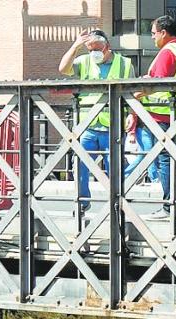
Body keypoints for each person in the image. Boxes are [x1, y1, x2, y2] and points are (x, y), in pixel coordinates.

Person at [58, 29, 135, 212]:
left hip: (112, 125)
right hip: (88, 124)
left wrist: (133, 114)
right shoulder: (85, 61)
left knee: (113, 169)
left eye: (97, 49)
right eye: (90, 49)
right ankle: (83, 201)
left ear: (107, 46)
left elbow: (131, 92)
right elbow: (63, 69)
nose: (94, 53)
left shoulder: (124, 64)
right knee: (80, 164)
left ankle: (116, 204)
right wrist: (76, 46)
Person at [130, 15, 176, 221]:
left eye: (153, 33)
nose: (152, 37)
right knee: (173, 159)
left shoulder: (168, 52)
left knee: (165, 160)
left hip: (161, 112)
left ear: (163, 33)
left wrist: (134, 96)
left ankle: (170, 208)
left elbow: (157, 84)